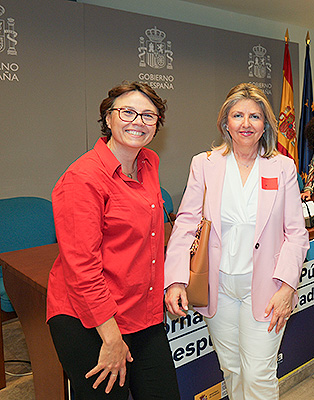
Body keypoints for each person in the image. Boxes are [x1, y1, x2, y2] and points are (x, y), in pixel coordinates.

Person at [164, 83, 309, 400]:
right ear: (225, 122)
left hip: (267, 287)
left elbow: (296, 233)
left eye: (255, 116)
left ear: (265, 124)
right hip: (218, 288)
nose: (246, 123)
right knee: (231, 370)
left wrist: (287, 286)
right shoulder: (204, 164)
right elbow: (187, 222)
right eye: (238, 115)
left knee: (259, 375)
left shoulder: (282, 167)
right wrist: (175, 278)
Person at [47, 82, 180, 399]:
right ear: (108, 118)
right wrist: (111, 338)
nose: (139, 121)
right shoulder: (82, 179)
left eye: (149, 115)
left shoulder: (148, 162)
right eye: (128, 112)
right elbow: (82, 269)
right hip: (89, 320)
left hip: (141, 312)